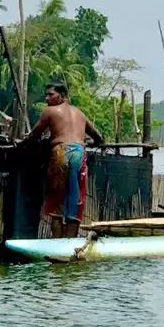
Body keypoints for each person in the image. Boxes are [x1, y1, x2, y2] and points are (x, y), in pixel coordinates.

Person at [16, 83, 104, 238]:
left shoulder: (49, 111)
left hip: (60, 152)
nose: (47, 98)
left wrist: (22, 144)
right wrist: (93, 143)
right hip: (79, 152)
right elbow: (98, 137)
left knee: (56, 202)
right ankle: (70, 244)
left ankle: (56, 243)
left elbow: (35, 134)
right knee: (75, 200)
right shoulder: (79, 113)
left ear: (62, 96)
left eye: (50, 94)